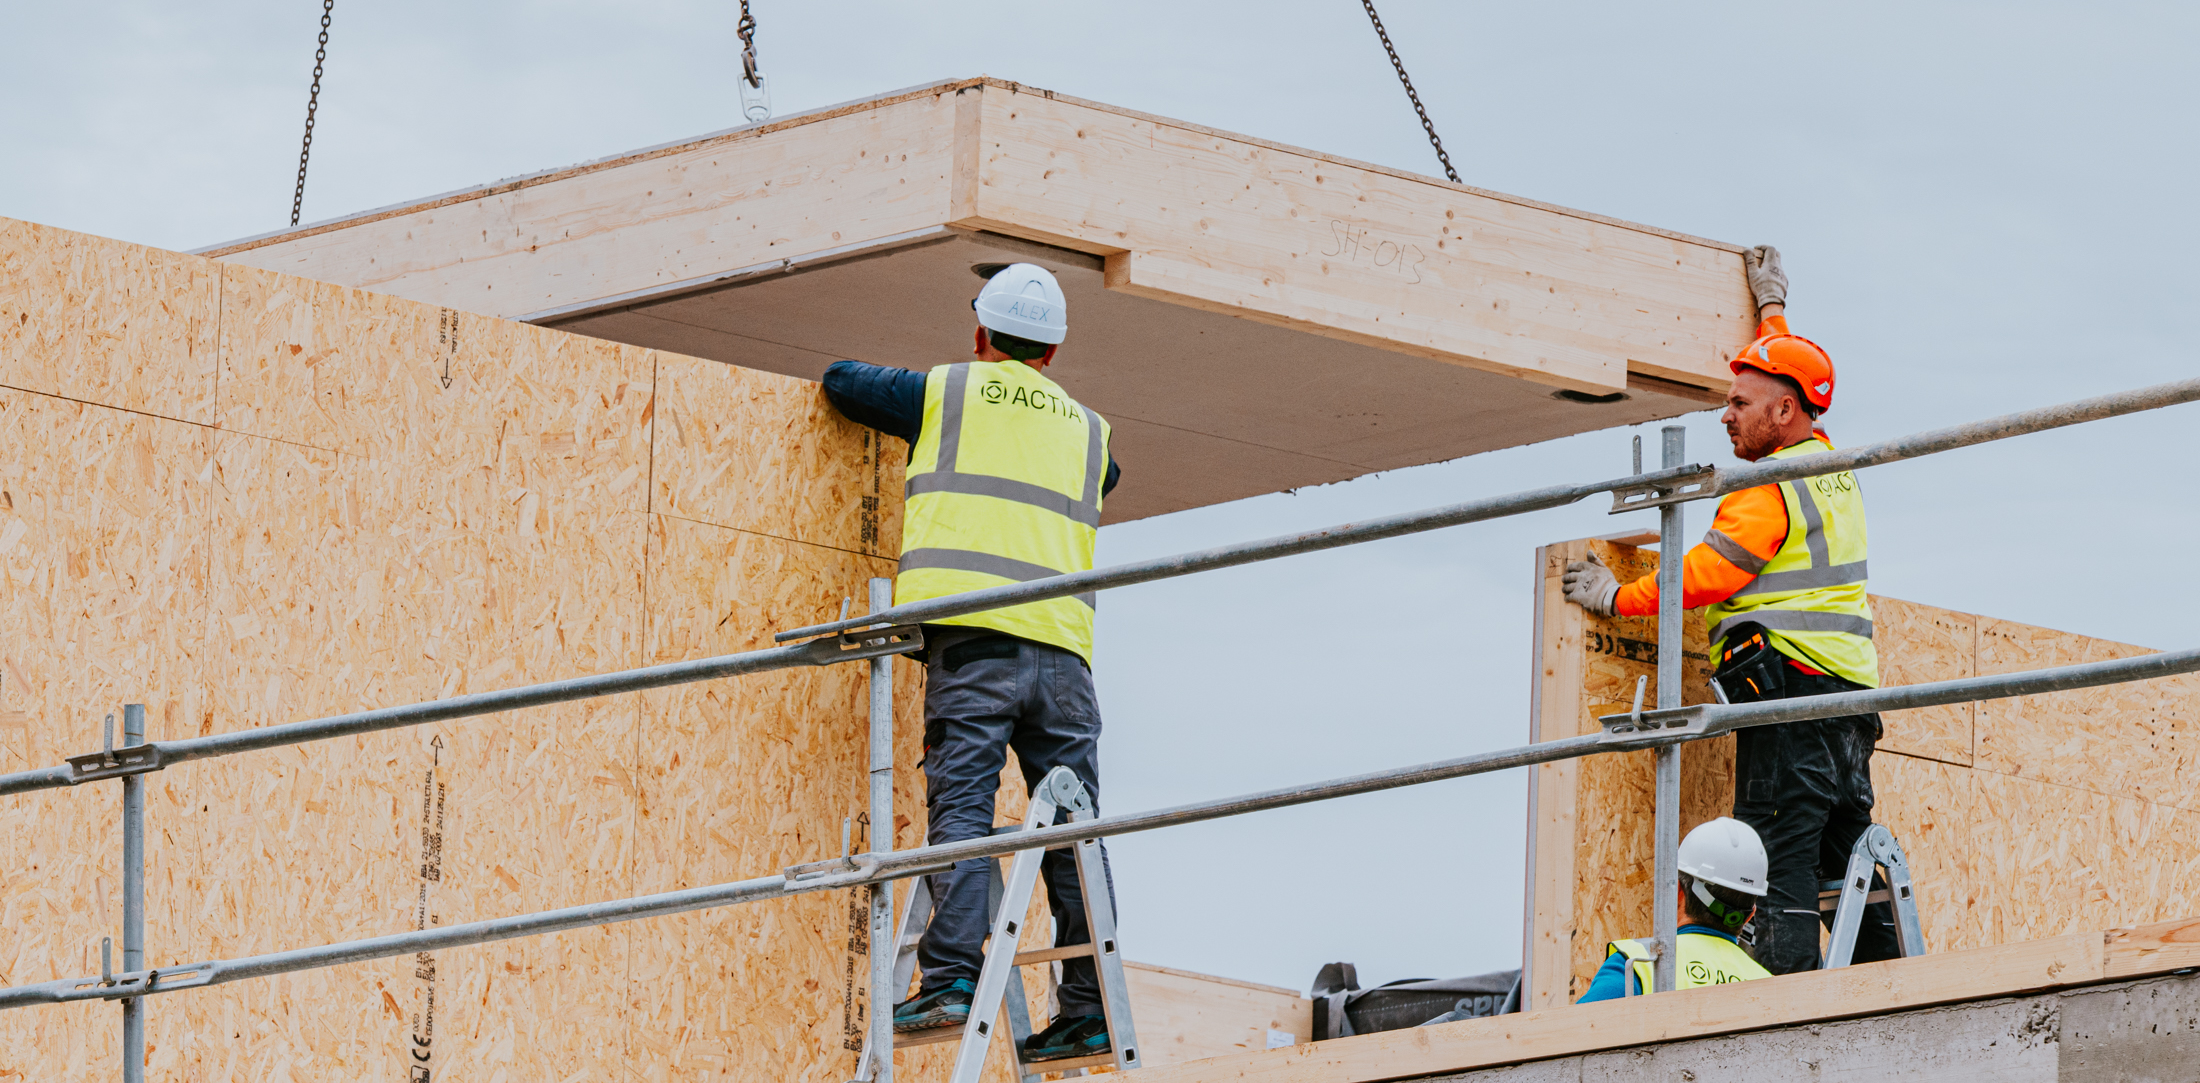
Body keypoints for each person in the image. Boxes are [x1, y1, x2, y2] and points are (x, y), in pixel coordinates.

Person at [1559, 246, 1901, 975]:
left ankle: (1782, 1022)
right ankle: (1897, 992)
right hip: (1849, 704)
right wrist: (1771, 305)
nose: (1725, 415)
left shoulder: (1764, 488)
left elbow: (1710, 573)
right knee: (1850, 870)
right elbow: (1790, 370)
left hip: (1793, 709)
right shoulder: (1827, 466)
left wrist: (1618, 596)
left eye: (1738, 404)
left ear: (1782, 412)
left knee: (1778, 863)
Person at [821, 262, 1124, 1064]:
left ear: (980, 332)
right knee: (1076, 833)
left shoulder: (945, 394)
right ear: (1053, 353)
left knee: (962, 806)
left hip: (976, 646)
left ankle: (953, 977)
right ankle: (1092, 1006)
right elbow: (1110, 481)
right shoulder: (1090, 432)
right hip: (1064, 657)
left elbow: (842, 381)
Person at [1576, 818, 1774, 1001]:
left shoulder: (1637, 964)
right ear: (1750, 915)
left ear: (1678, 891)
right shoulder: (1771, 986)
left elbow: (1577, 1032)